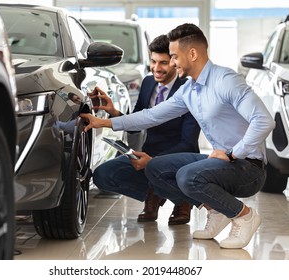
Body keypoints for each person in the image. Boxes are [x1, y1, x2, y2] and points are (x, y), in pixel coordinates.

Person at [81, 23, 275, 249]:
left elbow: (264, 120)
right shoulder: (189, 90)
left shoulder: (226, 80)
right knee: (155, 168)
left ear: (192, 54)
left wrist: (233, 154)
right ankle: (217, 211)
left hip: (247, 167)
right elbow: (151, 116)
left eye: (173, 56)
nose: (172, 63)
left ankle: (244, 216)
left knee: (187, 176)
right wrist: (104, 121)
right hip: (221, 161)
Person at [91, 34, 201, 225]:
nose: (157, 68)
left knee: (160, 167)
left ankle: (182, 199)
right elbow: (136, 126)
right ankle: (155, 193)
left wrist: (154, 162)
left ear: (175, 61)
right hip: (147, 154)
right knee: (103, 175)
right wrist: (113, 112)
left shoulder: (189, 90)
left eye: (164, 63)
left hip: (179, 160)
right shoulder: (148, 83)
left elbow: (188, 143)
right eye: (153, 61)